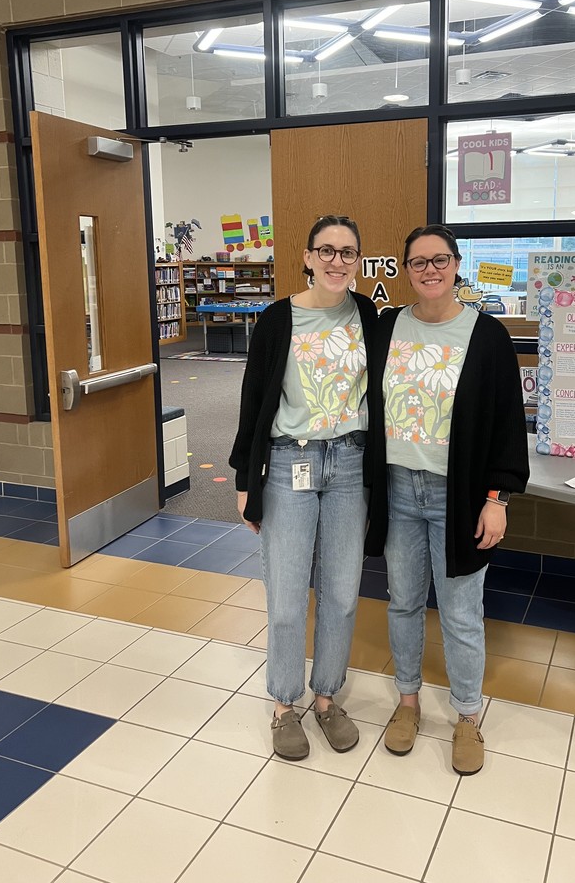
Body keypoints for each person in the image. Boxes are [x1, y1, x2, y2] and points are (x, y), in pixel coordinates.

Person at [365, 224, 529, 777]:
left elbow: (508, 425)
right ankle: (407, 703)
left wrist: (497, 498)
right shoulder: (389, 327)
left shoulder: (487, 336)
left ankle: (466, 716)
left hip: (457, 497)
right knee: (405, 602)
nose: (429, 270)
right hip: (398, 491)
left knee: (461, 613)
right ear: (405, 270)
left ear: (457, 265)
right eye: (417, 262)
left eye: (439, 260)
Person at [229, 215, 378, 761]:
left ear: (358, 260)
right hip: (290, 460)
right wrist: (247, 481)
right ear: (309, 257)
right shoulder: (277, 320)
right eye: (327, 250)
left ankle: (327, 697)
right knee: (288, 595)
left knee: (340, 593)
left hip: (350, 464)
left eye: (348, 251)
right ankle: (284, 705)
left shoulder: (367, 315)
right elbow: (252, 403)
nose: (337, 260)